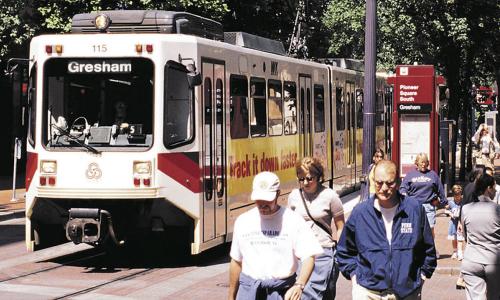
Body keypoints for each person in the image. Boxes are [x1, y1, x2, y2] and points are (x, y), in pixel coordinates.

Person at [337, 160, 437, 300]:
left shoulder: (414, 210)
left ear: (398, 181)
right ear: (373, 181)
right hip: (368, 292)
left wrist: (422, 276)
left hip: (406, 293)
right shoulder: (360, 213)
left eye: (389, 183)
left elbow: (428, 250)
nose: (384, 188)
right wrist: (354, 276)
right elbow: (344, 251)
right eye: (379, 183)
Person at [228, 171, 324, 300]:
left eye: (267, 200)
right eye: (258, 200)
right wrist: (231, 296)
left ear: (278, 194)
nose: (262, 204)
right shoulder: (243, 221)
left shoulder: (293, 220)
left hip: (281, 292)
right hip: (249, 292)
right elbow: (236, 261)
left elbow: (309, 257)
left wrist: (299, 285)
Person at [287, 157, 345, 300]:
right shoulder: (294, 196)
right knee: (301, 292)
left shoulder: (330, 196)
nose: (305, 183)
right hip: (300, 253)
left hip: (322, 251)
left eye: (309, 178)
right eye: (301, 179)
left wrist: (338, 252)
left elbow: (340, 227)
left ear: (319, 177)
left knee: (317, 293)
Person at [460, 173, 500, 300]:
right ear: (488, 188)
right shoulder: (497, 210)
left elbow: (466, 235)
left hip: (472, 259)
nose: (495, 191)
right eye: (494, 187)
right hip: (494, 261)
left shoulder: (466, 209)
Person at [400, 153, 446, 257]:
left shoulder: (433, 175)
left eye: (425, 162)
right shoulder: (410, 175)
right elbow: (403, 187)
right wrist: (404, 195)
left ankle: (431, 249)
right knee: (415, 229)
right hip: (414, 206)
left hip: (428, 205)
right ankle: (416, 249)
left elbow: (440, 189)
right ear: (417, 163)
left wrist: (444, 202)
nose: (423, 164)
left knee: (430, 229)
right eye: (421, 162)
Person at [445, 185, 465, 261]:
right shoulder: (450, 202)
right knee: (454, 238)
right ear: (453, 195)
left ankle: (460, 253)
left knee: (460, 238)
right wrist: (450, 213)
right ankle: (455, 251)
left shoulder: (463, 202)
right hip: (453, 222)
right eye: (456, 196)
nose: (457, 197)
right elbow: (446, 210)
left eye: (459, 195)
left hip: (460, 222)